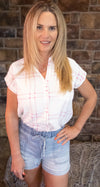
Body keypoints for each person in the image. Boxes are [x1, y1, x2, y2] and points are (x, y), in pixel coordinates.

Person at [5, 1, 97, 187]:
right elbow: (11, 114)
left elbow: (92, 96)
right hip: (27, 140)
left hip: (58, 141)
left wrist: (77, 128)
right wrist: (16, 155)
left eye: (52, 28)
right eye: (39, 27)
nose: (45, 35)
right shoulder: (17, 70)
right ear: (30, 30)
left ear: (59, 31)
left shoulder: (69, 66)